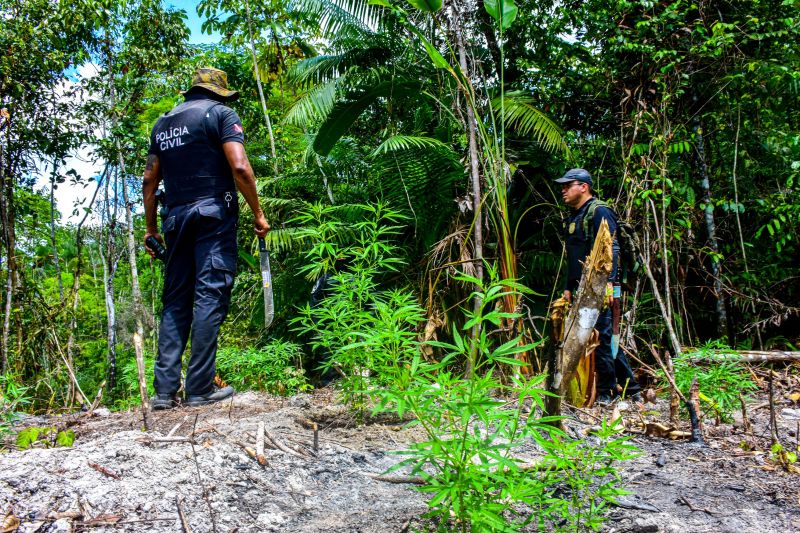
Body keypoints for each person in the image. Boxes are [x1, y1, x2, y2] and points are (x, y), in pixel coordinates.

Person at [143, 67, 269, 410]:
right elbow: (240, 168)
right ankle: (199, 388)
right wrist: (258, 213)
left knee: (176, 301)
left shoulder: (163, 124)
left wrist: (151, 229)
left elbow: (150, 182)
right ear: (218, 92)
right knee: (209, 295)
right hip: (212, 217)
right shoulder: (221, 114)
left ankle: (164, 393)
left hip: (175, 221)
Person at [555, 168, 640, 404]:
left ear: (584, 187)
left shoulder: (599, 211)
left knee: (602, 336)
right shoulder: (574, 215)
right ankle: (632, 389)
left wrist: (610, 285)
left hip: (601, 287)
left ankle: (606, 392)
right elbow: (572, 256)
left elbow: (611, 249)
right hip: (580, 287)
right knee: (595, 336)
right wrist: (568, 287)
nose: (563, 189)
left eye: (568, 185)